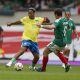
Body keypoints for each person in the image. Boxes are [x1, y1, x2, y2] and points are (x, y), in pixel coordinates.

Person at [35, 8, 70, 72]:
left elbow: (51, 27)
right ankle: (66, 64)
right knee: (57, 52)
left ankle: (43, 69)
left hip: (58, 41)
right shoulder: (65, 20)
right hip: (64, 41)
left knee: (45, 51)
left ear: (56, 14)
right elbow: (68, 27)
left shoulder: (58, 20)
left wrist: (41, 26)